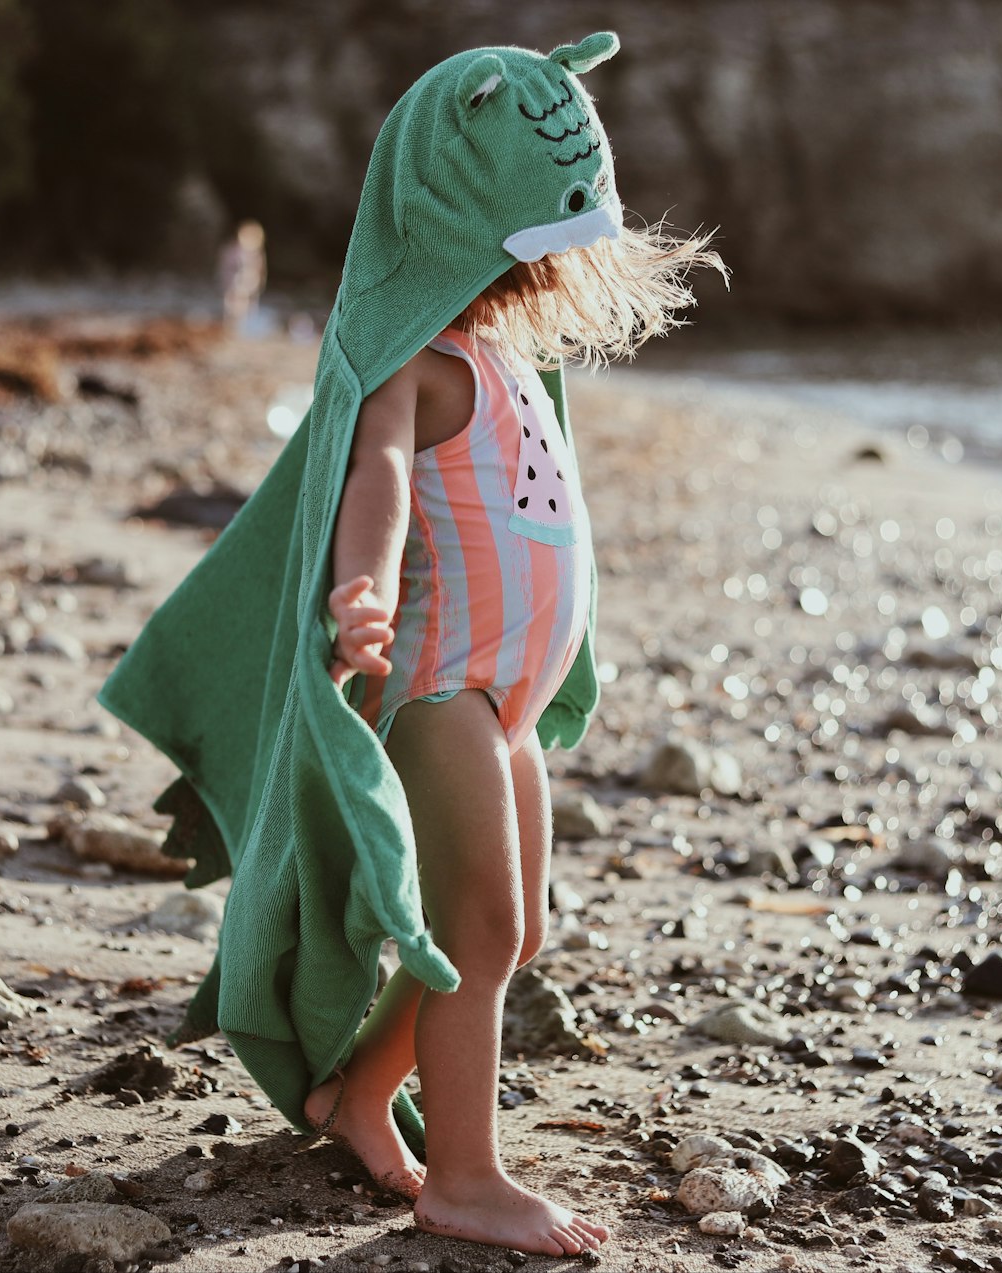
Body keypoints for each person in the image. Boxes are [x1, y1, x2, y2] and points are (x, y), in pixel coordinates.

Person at [96, 31, 721, 1259]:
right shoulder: (416, 364)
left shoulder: (508, 359)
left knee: (511, 931)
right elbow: (374, 478)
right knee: (478, 928)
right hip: (440, 685)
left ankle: (360, 1093)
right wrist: (362, 589)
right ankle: (467, 1176)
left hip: (509, 700)